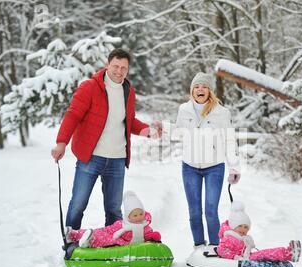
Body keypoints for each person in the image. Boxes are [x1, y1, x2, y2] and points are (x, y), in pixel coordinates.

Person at [51, 48, 161, 230]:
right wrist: (61, 143)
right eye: (116, 66)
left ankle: (113, 243)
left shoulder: (128, 91)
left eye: (124, 68)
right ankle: (71, 241)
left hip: (117, 159)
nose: (119, 71)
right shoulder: (90, 87)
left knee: (113, 209)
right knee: (78, 204)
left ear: (128, 69)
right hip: (91, 157)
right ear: (107, 65)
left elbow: (129, 120)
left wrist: (148, 131)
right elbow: (73, 115)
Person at [174, 72, 241, 251]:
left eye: (204, 86)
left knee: (211, 211)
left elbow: (229, 140)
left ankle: (215, 248)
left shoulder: (222, 112)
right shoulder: (184, 110)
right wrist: (161, 129)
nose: (200, 89)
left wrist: (234, 167)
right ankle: (198, 247)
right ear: (192, 91)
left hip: (214, 168)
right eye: (196, 86)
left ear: (210, 91)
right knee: (194, 212)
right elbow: (178, 133)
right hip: (190, 167)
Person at [66, 191, 161, 248]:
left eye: (141, 214)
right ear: (128, 216)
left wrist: (154, 237)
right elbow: (109, 229)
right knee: (99, 232)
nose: (139, 217)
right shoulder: (122, 224)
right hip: (115, 236)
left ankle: (89, 242)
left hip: (123, 243)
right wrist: (104, 231)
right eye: (135, 215)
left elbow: (149, 236)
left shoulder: (145, 227)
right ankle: (74, 234)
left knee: (108, 240)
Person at [216, 201, 302, 262]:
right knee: (263, 254)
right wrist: (235, 257)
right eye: (240, 226)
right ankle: (288, 254)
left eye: (246, 227)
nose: (243, 229)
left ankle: (288, 253)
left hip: (246, 257)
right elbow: (221, 250)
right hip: (239, 260)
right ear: (233, 227)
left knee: (266, 253)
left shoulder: (244, 238)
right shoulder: (229, 237)